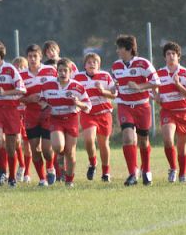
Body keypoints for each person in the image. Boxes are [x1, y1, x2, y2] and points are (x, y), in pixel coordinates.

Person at [111, 34, 160, 186]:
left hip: (142, 106)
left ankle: (146, 169)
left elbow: (156, 82)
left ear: (128, 49)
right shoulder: (116, 66)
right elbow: (117, 83)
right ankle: (132, 173)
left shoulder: (143, 64)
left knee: (143, 142)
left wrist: (139, 87)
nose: (117, 51)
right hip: (124, 106)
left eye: (119, 48)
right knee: (127, 138)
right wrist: (114, 86)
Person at [39, 58, 91, 187]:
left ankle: (69, 180)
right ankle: (60, 156)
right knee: (57, 147)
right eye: (60, 70)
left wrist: (77, 103)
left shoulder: (77, 87)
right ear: (57, 71)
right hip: (55, 119)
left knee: (71, 152)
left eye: (65, 70)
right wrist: (45, 105)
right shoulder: (47, 85)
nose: (62, 73)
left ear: (70, 72)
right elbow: (41, 100)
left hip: (71, 119)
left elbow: (88, 106)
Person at [0, 41, 26, 187]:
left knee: (10, 147)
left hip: (10, 109)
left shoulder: (11, 69)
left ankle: (12, 177)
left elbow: (22, 90)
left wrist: (6, 92)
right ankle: (2, 170)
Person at [18, 44, 57, 186]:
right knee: (35, 149)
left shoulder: (51, 71)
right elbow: (16, 96)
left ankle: (50, 167)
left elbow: (60, 87)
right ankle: (42, 179)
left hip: (47, 113)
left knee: (47, 150)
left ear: (41, 57)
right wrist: (28, 99)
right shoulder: (21, 75)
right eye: (30, 56)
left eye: (35, 56)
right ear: (27, 58)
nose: (33, 59)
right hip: (31, 114)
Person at [73, 52, 116, 182]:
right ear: (85, 65)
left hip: (104, 114)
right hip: (88, 114)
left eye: (94, 62)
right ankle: (93, 163)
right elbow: (72, 90)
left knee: (103, 144)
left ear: (99, 65)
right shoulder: (78, 77)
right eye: (89, 62)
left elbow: (114, 94)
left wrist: (103, 91)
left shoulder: (105, 76)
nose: (92, 64)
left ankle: (106, 172)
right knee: (89, 140)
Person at [155, 42, 186, 183]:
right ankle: (173, 168)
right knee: (168, 140)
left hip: (184, 112)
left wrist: (178, 85)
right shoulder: (159, 74)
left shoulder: (185, 73)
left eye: (173, 54)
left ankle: (183, 174)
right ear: (164, 58)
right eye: (168, 54)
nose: (171, 56)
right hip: (168, 112)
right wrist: (156, 97)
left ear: (178, 57)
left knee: (182, 148)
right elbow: (153, 90)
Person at [12, 56, 32, 183]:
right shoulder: (12, 82)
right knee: (16, 142)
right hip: (15, 115)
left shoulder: (29, 81)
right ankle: (22, 165)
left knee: (28, 145)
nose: (20, 69)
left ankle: (27, 173)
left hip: (28, 115)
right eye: (17, 67)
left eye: (23, 67)